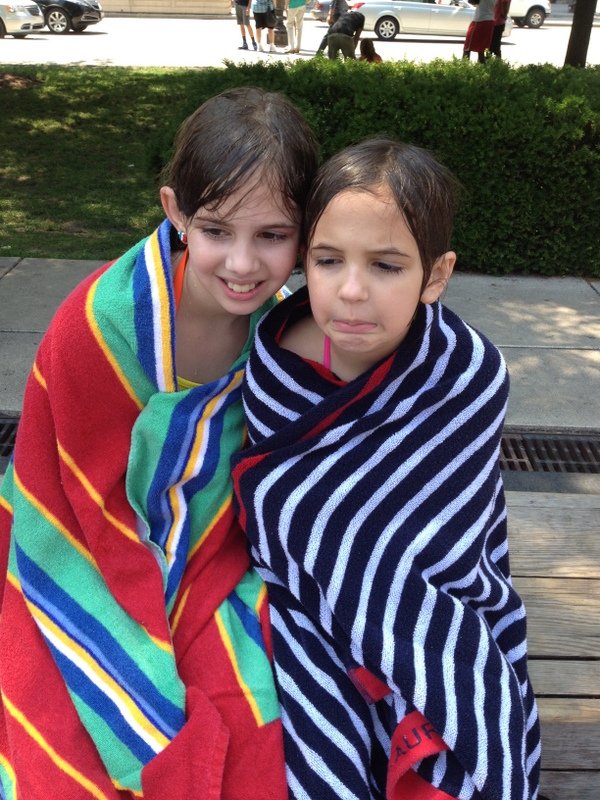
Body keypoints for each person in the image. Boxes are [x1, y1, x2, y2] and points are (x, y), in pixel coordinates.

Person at [0, 87, 319, 800]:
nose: (243, 263)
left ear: (304, 234)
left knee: (279, 715)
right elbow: (69, 493)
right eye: (217, 230)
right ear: (175, 211)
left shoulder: (278, 329)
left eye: (272, 235)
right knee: (81, 735)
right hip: (76, 541)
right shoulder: (102, 324)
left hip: (208, 549)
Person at [232, 138, 541, 799]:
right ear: (304, 261)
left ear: (436, 275)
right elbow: (282, 522)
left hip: (432, 612)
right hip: (303, 616)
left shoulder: (466, 377)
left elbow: (458, 543)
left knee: (472, 707)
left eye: (386, 266)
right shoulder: (272, 371)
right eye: (328, 260)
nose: (351, 291)